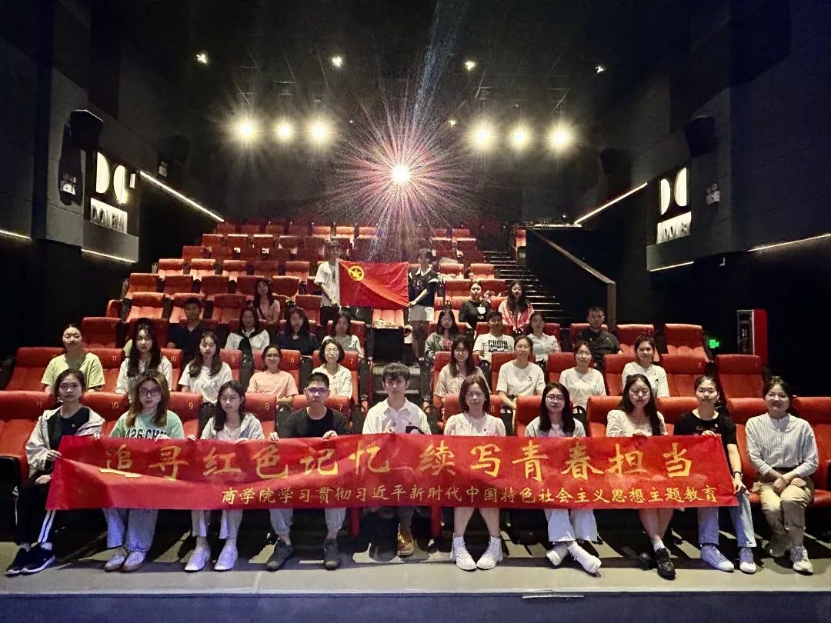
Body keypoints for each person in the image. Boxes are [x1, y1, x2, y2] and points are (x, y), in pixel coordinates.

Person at [6, 370, 104, 576]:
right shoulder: (47, 418)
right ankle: (25, 546)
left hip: (74, 475)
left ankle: (45, 546)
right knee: (26, 490)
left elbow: (85, 456)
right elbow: (34, 446)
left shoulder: (93, 420)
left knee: (48, 491)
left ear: (83, 389)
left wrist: (54, 475)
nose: (69, 391)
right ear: (57, 390)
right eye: (64, 386)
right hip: (46, 468)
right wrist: (46, 456)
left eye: (74, 386)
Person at [265, 373, 350, 571]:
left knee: (339, 486)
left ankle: (331, 540)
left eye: (321, 390)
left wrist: (338, 441)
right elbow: (282, 450)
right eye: (312, 390)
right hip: (298, 476)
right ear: (305, 392)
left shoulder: (338, 419)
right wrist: (275, 439)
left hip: (327, 476)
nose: (316, 394)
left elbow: (348, 453)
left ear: (328, 393)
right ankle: (284, 541)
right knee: (275, 487)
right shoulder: (293, 419)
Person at [103, 371, 184, 572]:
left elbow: (181, 453)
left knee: (143, 488)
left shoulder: (171, 420)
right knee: (107, 488)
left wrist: (166, 446)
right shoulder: (127, 418)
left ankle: (137, 547)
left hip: (156, 476)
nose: (149, 396)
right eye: (144, 391)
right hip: (127, 473)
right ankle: (122, 546)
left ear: (162, 393)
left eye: (154, 391)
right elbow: (110, 447)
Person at [674, 375, 756, 574]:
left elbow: (733, 451)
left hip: (721, 473)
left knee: (741, 492)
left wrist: (737, 476)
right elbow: (677, 453)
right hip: (692, 474)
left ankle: (746, 548)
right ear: (695, 393)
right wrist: (698, 442)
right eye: (702, 390)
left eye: (710, 391)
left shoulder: (725, 423)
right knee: (710, 490)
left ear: (718, 394)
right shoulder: (684, 420)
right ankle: (709, 547)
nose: (706, 395)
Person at [186, 381, 264, 572]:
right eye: (224, 398)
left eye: (232, 398)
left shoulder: (252, 422)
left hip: (242, 476)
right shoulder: (213, 423)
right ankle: (201, 545)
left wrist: (249, 448)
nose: (228, 402)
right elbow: (203, 447)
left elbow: (262, 452)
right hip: (215, 476)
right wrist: (193, 443)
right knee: (198, 493)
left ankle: (230, 545)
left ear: (242, 399)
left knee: (232, 493)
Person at [525, 383, 601, 575]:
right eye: (551, 397)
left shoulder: (577, 426)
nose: (555, 401)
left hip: (571, 475)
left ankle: (564, 546)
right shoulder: (534, 426)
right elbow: (528, 458)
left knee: (583, 492)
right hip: (543, 477)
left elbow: (582, 456)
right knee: (555, 493)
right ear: (544, 400)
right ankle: (575, 548)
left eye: (559, 398)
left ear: (566, 402)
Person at [746, 377, 818, 574]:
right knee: (772, 507)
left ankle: (798, 549)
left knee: (790, 499)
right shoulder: (754, 424)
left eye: (782, 395)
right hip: (767, 479)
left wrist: (787, 478)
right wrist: (778, 477)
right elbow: (755, 459)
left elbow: (812, 461)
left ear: (790, 399)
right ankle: (783, 536)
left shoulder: (802, 426)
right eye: (771, 394)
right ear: (764, 397)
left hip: (797, 478)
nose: (776, 399)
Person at [606, 374, 674, 580]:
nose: (640, 395)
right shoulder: (616, 415)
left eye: (644, 391)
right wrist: (630, 440)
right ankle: (659, 547)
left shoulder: (657, 417)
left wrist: (650, 443)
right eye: (635, 391)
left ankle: (655, 546)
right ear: (627, 393)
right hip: (623, 469)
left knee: (671, 488)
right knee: (646, 486)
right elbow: (609, 446)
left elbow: (664, 448)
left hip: (651, 468)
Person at [363, 363, 431, 557]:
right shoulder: (375, 413)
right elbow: (366, 446)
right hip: (380, 466)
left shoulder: (417, 413)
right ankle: (385, 524)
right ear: (383, 384)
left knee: (407, 475)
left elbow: (427, 444)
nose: (394, 386)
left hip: (408, 467)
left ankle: (405, 527)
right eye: (390, 382)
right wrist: (382, 439)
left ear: (407, 384)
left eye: (399, 381)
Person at [444, 375, 506, 571]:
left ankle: (495, 546)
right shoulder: (454, 421)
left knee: (487, 490)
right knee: (467, 488)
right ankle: (458, 545)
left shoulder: (497, 423)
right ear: (464, 397)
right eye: (470, 394)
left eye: (478, 394)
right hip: (461, 475)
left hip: (489, 476)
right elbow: (446, 452)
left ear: (486, 396)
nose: (474, 398)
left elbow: (503, 454)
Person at [115, 322, 173, 398]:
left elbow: (166, 392)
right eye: (139, 339)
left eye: (147, 339)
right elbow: (120, 390)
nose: (143, 342)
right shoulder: (126, 363)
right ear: (134, 342)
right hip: (131, 403)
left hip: (155, 404)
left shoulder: (164, 363)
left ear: (153, 341)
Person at [41, 324, 105, 393]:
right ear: (62, 340)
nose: (72, 340)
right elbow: (49, 388)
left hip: (84, 399)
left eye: (76, 336)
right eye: (67, 337)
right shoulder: (54, 362)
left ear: (82, 339)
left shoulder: (93, 360)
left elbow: (94, 389)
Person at [178, 331, 234, 403]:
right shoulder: (190, 366)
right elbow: (185, 393)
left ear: (216, 347)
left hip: (216, 407)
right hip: (194, 406)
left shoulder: (225, 368)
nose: (207, 348)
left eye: (211, 345)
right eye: (204, 345)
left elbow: (226, 394)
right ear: (199, 347)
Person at [433, 336, 488, 406]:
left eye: (464, 350)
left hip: (474, 407)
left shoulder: (477, 371)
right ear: (453, 352)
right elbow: (441, 397)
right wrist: (456, 403)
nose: (460, 353)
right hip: (453, 407)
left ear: (469, 352)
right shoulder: (445, 371)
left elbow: (486, 394)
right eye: (457, 350)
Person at [496, 336, 545, 413]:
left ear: (530, 351)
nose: (523, 349)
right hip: (511, 406)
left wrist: (528, 407)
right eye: (519, 346)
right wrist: (517, 408)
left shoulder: (537, 370)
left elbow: (541, 394)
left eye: (526, 347)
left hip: (530, 406)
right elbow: (501, 395)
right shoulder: (505, 367)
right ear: (514, 349)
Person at [408, 248, 440, 360]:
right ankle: (416, 357)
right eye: (420, 257)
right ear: (418, 259)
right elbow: (409, 289)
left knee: (425, 332)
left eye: (426, 258)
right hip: (414, 307)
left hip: (427, 306)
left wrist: (415, 301)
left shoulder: (433, 275)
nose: (423, 260)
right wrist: (410, 301)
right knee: (415, 332)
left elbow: (428, 290)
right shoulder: (412, 274)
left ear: (429, 259)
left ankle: (425, 356)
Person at [559, 340, 606, 410]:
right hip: (572, 412)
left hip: (593, 412)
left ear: (591, 357)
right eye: (580, 353)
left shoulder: (598, 375)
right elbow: (561, 398)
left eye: (587, 353)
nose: (583, 356)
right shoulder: (565, 374)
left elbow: (603, 399)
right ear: (575, 355)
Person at [166, 296, 208, 364]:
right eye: (188, 309)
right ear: (184, 311)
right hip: (179, 363)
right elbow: (170, 351)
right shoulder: (176, 330)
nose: (191, 312)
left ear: (200, 310)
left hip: (199, 363)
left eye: (194, 308)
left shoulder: (207, 331)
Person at [314, 241, 341, 330]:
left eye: (337, 250)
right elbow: (321, 284)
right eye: (332, 249)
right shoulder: (322, 266)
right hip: (326, 305)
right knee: (325, 329)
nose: (334, 252)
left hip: (341, 306)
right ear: (328, 251)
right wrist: (331, 298)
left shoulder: (344, 266)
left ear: (340, 252)